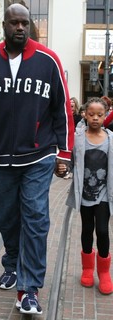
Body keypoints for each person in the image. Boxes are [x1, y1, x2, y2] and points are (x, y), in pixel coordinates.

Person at [0, 3, 74, 315]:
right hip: (2, 160)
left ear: (30, 25)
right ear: (5, 25)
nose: (20, 28)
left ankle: (29, 288)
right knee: (7, 217)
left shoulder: (48, 60)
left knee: (36, 219)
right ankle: (12, 261)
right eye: (14, 23)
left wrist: (64, 154)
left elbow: (62, 109)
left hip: (39, 155)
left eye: (25, 23)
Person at [65, 97, 113, 295]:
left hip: (104, 194)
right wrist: (62, 166)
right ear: (84, 114)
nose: (95, 118)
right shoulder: (77, 138)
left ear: (106, 115)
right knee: (87, 229)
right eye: (91, 114)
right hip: (84, 194)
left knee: (102, 231)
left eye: (99, 115)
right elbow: (68, 160)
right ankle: (87, 269)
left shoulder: (111, 139)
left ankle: (104, 272)